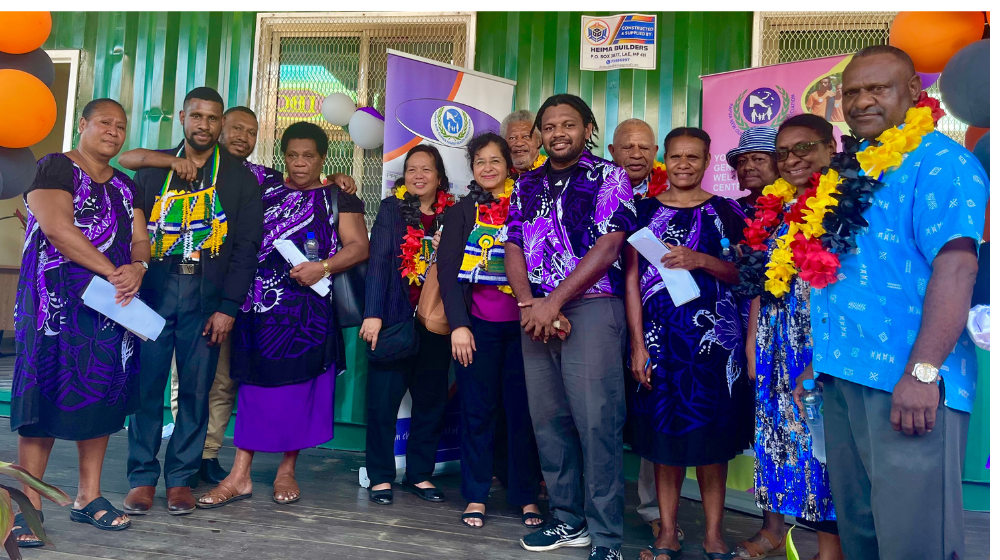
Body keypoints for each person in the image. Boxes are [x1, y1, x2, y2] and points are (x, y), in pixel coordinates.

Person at [118, 106, 359, 485]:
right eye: (233, 128)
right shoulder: (209, 168)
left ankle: (206, 458)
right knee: (199, 381)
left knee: (226, 383)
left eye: (251, 131)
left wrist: (337, 179)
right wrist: (172, 159)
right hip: (229, 299)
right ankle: (173, 467)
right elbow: (128, 158)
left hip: (270, 308)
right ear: (216, 128)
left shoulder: (258, 178)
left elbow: (347, 232)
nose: (241, 137)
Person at [811, 45, 986, 560]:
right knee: (862, 533)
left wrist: (924, 372)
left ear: (913, 90)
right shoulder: (851, 169)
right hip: (845, 373)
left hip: (907, 383)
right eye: (851, 93)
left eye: (877, 89)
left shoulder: (942, 163)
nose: (862, 101)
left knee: (915, 541)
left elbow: (958, 268)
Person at [195, 121, 368, 509]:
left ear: (323, 158)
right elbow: (212, 161)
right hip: (256, 311)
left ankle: (286, 470)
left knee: (298, 391)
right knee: (253, 388)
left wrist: (321, 267)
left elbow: (358, 247)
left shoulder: (338, 198)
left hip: (308, 315)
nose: (300, 163)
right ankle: (239, 475)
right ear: (283, 157)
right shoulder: (264, 186)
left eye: (309, 156)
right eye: (293, 155)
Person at [504, 93, 637, 560]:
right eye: (550, 126)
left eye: (569, 124)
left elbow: (610, 245)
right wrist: (528, 303)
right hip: (535, 312)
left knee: (597, 422)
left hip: (591, 309)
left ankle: (606, 538)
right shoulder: (526, 183)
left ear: (587, 129)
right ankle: (567, 520)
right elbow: (514, 245)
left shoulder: (610, 176)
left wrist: (555, 301)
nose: (559, 133)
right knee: (549, 421)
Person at [10, 98, 149, 544]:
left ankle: (89, 497)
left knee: (102, 396)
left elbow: (141, 238)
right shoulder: (54, 167)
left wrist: (138, 268)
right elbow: (56, 228)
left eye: (121, 126)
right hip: (53, 307)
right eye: (105, 122)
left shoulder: (128, 188)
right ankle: (27, 505)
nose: (113, 130)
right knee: (44, 396)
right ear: (82, 125)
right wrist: (114, 270)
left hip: (108, 311)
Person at [124, 87, 263, 516]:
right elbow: (132, 230)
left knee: (197, 391)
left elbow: (245, 250)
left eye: (213, 118)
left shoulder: (240, 179)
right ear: (183, 116)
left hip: (206, 299)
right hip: (154, 294)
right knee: (147, 388)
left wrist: (229, 307)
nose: (204, 125)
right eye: (197, 116)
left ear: (221, 124)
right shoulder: (151, 171)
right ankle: (142, 478)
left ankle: (181, 479)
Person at [625, 127, 752, 560]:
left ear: (706, 160)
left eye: (693, 157)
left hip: (716, 345)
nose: (683, 164)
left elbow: (744, 275)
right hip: (660, 344)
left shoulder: (728, 213)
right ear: (666, 158)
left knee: (711, 441)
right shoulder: (641, 211)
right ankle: (668, 531)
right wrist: (637, 345)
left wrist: (701, 260)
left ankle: (714, 535)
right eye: (676, 156)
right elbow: (629, 281)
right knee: (665, 440)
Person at [734, 114, 842, 560]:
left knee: (824, 442)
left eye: (805, 148)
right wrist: (751, 342)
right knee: (779, 438)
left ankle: (831, 547)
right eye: (784, 153)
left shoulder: (843, 203)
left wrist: (825, 353)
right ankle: (777, 527)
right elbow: (762, 281)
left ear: (830, 149)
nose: (794, 160)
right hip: (774, 337)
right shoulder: (776, 209)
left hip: (822, 339)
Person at [436, 132, 543, 529]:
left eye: (495, 160)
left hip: (525, 328)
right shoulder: (461, 212)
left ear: (508, 164)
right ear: (472, 167)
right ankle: (476, 495)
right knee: (477, 412)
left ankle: (526, 496)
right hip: (477, 328)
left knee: (522, 414)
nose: (488, 168)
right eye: (479, 161)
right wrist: (459, 327)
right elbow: (448, 274)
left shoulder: (528, 202)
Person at [360, 144, 454, 506]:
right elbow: (380, 262)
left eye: (426, 170)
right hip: (395, 320)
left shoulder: (455, 212)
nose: (418, 176)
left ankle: (420, 475)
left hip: (436, 323)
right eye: (412, 169)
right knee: (383, 402)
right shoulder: (392, 209)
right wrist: (373, 314)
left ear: (439, 178)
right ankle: (381, 477)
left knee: (430, 402)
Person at [607, 118, 662, 200]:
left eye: (644, 148)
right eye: (627, 147)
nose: (636, 155)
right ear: (612, 150)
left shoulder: (672, 188)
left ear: (654, 151)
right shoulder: (592, 185)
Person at [725, 126, 778, 208]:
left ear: (779, 165)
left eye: (758, 159)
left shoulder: (798, 206)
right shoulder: (731, 211)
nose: (747, 167)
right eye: (742, 161)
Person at [502, 110, 546, 176]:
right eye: (512, 138)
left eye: (526, 136)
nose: (519, 143)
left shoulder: (552, 172)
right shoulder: (497, 176)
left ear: (539, 142)